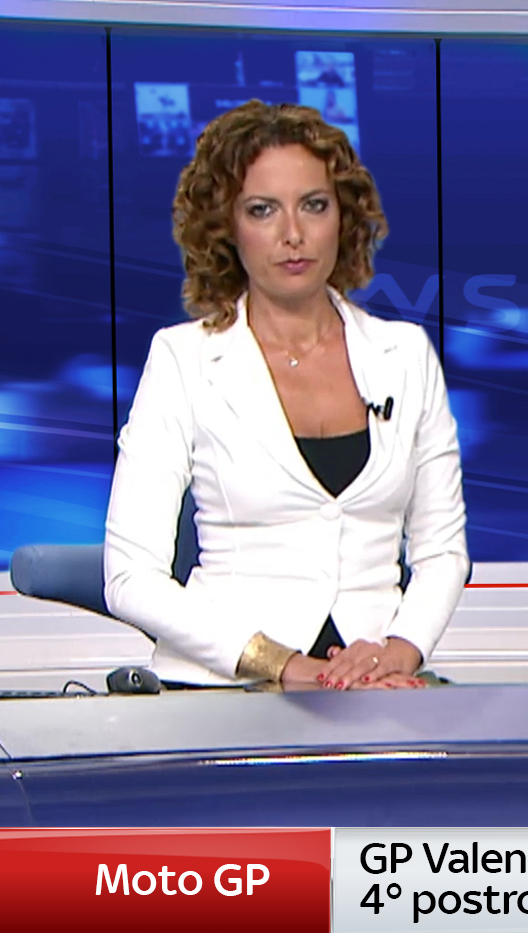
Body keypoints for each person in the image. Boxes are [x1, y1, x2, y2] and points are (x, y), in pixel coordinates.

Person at [104, 101, 468, 690]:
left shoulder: (404, 356)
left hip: (377, 685)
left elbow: (443, 549)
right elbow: (129, 577)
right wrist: (284, 665)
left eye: (314, 205)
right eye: (263, 210)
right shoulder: (183, 359)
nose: (293, 234)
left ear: (343, 217)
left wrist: (400, 651)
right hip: (227, 687)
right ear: (226, 227)